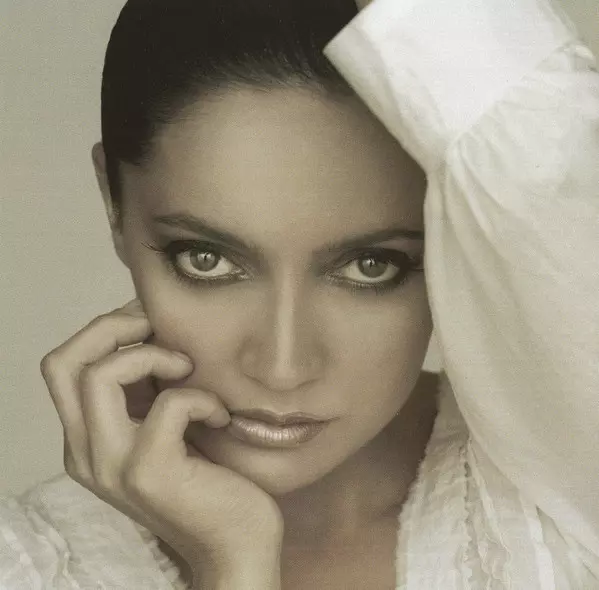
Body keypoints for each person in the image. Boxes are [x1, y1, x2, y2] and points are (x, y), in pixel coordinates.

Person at [1, 0, 598, 587]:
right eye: (208, 260)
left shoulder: (567, 489)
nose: (282, 369)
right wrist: (232, 564)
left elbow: (550, 154)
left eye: (371, 266)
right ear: (114, 202)